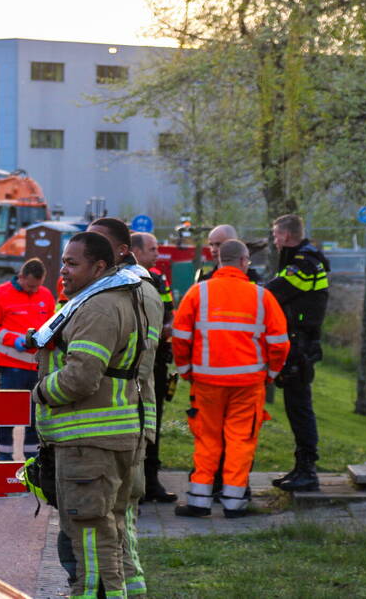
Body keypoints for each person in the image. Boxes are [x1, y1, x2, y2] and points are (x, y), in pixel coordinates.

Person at [33, 232, 144, 598]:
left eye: (72, 263)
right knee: (105, 537)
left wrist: (41, 391)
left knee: (91, 544)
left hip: (88, 446)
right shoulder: (107, 298)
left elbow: (81, 377)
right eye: (63, 261)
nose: (62, 270)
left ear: (99, 266)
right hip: (101, 442)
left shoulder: (98, 307)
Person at [172, 239, 290, 517]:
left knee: (207, 440)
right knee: (240, 441)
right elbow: (280, 343)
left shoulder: (198, 293)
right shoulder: (261, 296)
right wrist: (270, 374)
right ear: (244, 260)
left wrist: (186, 369)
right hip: (248, 384)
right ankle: (234, 503)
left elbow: (180, 337)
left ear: (219, 260)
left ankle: (199, 501)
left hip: (206, 382)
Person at [89, 217, 162, 596]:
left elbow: (94, 366)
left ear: (120, 249)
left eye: (96, 241)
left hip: (112, 416)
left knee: (106, 516)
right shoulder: (143, 287)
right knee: (124, 516)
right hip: (134, 413)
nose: (89, 247)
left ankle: (114, 589)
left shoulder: (121, 292)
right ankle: (133, 587)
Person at [267, 213, 329, 492]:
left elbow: (275, 292)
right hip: (297, 342)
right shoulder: (298, 259)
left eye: (276, 235)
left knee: (300, 407)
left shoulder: (303, 263)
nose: (275, 241)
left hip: (300, 345)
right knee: (295, 406)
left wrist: (247, 290)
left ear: (287, 235)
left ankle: (308, 471)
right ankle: (300, 467)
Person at [0, 257, 55, 461]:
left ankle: (32, 462)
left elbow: (51, 325)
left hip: (38, 368)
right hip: (11, 367)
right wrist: (14, 340)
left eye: (38, 286)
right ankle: (4, 460)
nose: (34, 290)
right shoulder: (0, 293)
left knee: (36, 419)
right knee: (8, 415)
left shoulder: (45, 294)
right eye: (30, 285)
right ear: (21, 276)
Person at [130, 231, 178, 504]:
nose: (157, 253)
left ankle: (152, 479)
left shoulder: (159, 278)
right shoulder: (126, 279)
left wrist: (163, 330)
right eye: (152, 249)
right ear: (135, 251)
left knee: (153, 420)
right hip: (132, 364)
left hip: (157, 361)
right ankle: (135, 480)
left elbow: (169, 316)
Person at [196, 224, 260, 283]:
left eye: (218, 244)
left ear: (234, 244)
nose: (213, 250)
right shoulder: (205, 281)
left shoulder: (254, 279)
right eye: (211, 245)